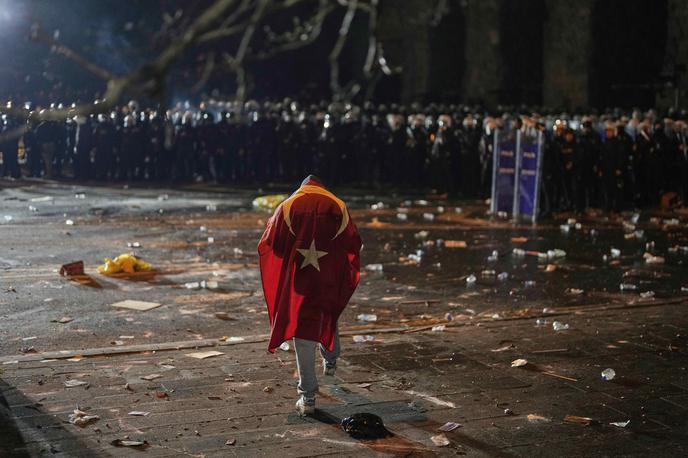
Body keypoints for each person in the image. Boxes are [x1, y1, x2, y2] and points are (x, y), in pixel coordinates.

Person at [258, 175, 362, 416]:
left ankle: (308, 397)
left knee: (303, 332)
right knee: (328, 313)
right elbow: (354, 242)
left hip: (300, 278)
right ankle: (332, 358)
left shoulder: (288, 206)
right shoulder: (337, 205)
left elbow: (269, 242)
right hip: (328, 277)